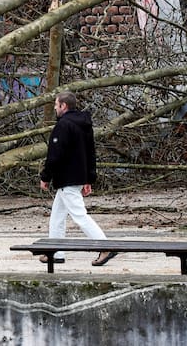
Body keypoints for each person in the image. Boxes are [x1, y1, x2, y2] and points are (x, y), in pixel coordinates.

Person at [39, 91, 117, 266]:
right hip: (77, 177)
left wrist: (45, 177)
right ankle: (55, 252)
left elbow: (54, 155)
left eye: (56, 104)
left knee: (80, 215)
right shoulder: (84, 125)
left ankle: (105, 246)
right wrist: (88, 178)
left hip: (67, 178)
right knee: (57, 216)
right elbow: (90, 153)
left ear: (63, 106)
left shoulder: (63, 126)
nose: (54, 107)